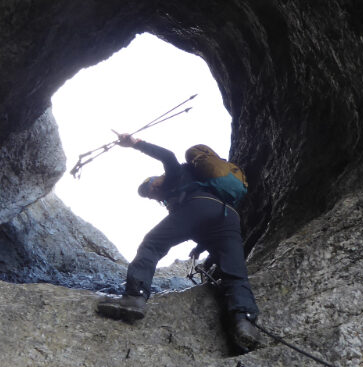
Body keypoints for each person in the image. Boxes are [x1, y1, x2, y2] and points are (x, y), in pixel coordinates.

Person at [95, 132, 260, 352]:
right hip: (228, 216)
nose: (151, 191)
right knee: (234, 272)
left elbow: (168, 156)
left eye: (149, 185)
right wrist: (200, 246)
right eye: (147, 194)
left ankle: (134, 297)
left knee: (152, 244)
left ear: (157, 178)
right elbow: (206, 224)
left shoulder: (176, 174)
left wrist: (135, 143)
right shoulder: (189, 188)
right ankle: (244, 322)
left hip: (200, 206)